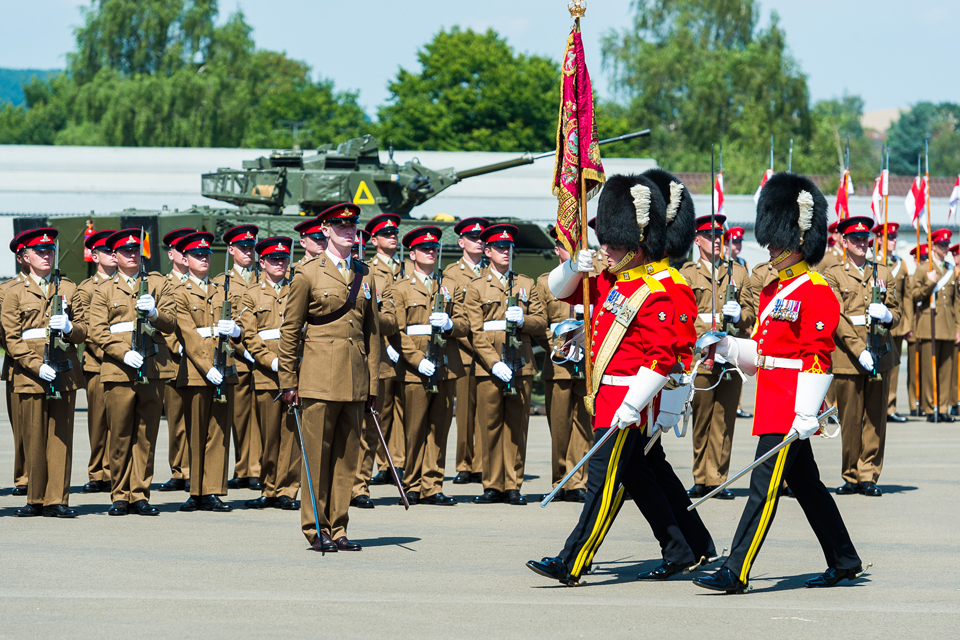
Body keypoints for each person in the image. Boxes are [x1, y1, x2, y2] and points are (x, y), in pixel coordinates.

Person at [693, 172, 863, 593]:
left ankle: (736, 570)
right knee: (806, 485)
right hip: (773, 396)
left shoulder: (817, 291)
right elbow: (766, 352)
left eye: (778, 241)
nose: (770, 248)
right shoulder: (775, 290)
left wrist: (807, 413)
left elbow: (816, 357)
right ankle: (844, 559)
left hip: (791, 406)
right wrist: (728, 346)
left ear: (799, 241)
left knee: (762, 489)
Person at [525, 174, 695, 586]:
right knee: (639, 476)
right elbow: (555, 290)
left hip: (627, 402)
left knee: (601, 485)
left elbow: (660, 359)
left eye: (614, 245)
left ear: (637, 244)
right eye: (606, 242)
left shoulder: (654, 290)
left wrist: (633, 406)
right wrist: (571, 265)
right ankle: (680, 549)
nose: (607, 250)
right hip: (604, 398)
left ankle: (572, 561)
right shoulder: (611, 279)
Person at [278, 203, 380, 553]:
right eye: (341, 226)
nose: (348, 232)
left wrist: (373, 386)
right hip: (318, 378)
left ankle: (339, 527)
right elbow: (290, 331)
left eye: (352, 226)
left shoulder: (365, 274)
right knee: (316, 459)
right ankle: (315, 527)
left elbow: (373, 336)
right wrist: (288, 382)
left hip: (354, 380)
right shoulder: (307, 274)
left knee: (346, 459)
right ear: (325, 230)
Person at [90, 229, 176, 516]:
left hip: (152, 368)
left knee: (146, 434)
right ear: (114, 256)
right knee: (120, 432)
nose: (132, 254)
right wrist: (122, 352)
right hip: (118, 369)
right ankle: (120, 494)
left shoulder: (157, 284)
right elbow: (98, 331)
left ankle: (140, 493)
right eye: (125, 251)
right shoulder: (104, 290)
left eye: (135, 250)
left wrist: (154, 314)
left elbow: (171, 322)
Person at [2, 228, 86, 518]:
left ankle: (57, 499)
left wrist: (69, 328)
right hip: (29, 372)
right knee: (33, 435)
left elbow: (83, 331)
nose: (47, 255)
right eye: (40, 252)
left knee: (60, 436)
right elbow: (11, 338)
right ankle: (34, 498)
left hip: (63, 369)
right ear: (25, 257)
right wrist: (36, 365)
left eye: (50, 251)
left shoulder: (69, 288)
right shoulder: (12, 291)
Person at [464, 224, 546, 505]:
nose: (505, 252)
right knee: (490, 426)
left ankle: (513, 484)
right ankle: (492, 484)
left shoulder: (526, 283)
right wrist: (493, 362)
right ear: (487, 252)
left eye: (508, 247)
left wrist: (524, 319)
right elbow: (475, 331)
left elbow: (540, 321)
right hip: (490, 367)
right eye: (499, 247)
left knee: (516, 427)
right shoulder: (476, 287)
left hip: (520, 362)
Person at [387, 226, 468, 505]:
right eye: (424, 249)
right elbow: (396, 332)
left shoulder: (450, 286)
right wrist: (417, 361)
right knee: (415, 428)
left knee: (440, 427)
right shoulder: (400, 288)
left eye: (433, 249)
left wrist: (451, 325)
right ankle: (411, 484)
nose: (430, 253)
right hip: (415, 368)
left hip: (445, 364)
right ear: (413, 254)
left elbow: (467, 324)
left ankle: (432, 484)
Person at [823, 216, 900, 498]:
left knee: (875, 419)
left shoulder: (884, 272)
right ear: (843, 241)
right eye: (854, 239)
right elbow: (837, 318)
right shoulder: (833, 273)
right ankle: (850, 474)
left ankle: (869, 475)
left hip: (880, 352)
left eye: (864, 238)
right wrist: (859, 350)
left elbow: (898, 314)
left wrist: (889, 316)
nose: (860, 243)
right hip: (849, 357)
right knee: (851, 419)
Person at [682, 214, 754, 499]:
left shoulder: (738, 273)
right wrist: (708, 337)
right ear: (697, 240)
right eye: (710, 236)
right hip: (702, 355)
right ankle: (701, 477)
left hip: (731, 356)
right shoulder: (687, 274)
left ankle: (717, 478)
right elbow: (685, 316)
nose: (717, 241)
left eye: (720, 236)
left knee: (724, 420)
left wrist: (740, 315)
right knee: (701, 418)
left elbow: (751, 314)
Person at [173, 231, 242, 512]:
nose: (203, 259)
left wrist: (237, 331)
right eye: (197, 255)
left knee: (218, 432)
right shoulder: (178, 292)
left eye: (206, 255)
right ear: (185, 259)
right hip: (196, 370)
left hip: (224, 366)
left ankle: (212, 490)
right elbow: (188, 335)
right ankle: (196, 490)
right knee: (197, 431)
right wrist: (206, 367)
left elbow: (239, 326)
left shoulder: (222, 289)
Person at [240, 236, 302, 510]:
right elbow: (249, 336)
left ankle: (288, 489)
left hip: (297, 373)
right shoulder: (251, 294)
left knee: (293, 435)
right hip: (267, 374)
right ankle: (269, 487)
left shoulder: (298, 289)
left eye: (284, 259)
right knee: (268, 436)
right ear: (262, 262)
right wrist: (270, 361)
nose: (280, 263)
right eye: (274, 259)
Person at [534, 226, 591, 502]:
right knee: (559, 426)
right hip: (558, 365)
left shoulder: (592, 281)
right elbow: (539, 323)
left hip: (587, 363)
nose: (576, 250)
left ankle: (578, 479)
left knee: (584, 425)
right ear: (557, 249)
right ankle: (560, 479)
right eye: (569, 245)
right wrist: (558, 345)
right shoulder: (545, 282)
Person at [213, 224, 262, 491]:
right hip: (238, 356)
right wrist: (245, 349)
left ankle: (258, 468)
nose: (248, 252)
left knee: (264, 416)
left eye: (251, 248)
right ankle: (244, 467)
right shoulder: (222, 282)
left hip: (264, 355)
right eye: (242, 248)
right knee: (240, 416)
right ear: (231, 250)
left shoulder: (263, 276)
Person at [444, 217, 489, 485]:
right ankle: (463, 464)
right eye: (473, 238)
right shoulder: (452, 274)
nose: (479, 242)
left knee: (484, 411)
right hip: (462, 351)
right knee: (464, 414)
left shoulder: (491, 271)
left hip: (487, 354)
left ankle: (481, 464)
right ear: (461, 242)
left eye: (482, 238)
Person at [363, 213, 405, 492]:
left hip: (409, 348)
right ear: (374, 240)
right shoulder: (369, 269)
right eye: (386, 233)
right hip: (383, 351)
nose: (392, 236)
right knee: (380, 412)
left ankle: (397, 462)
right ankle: (382, 463)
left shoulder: (407, 268)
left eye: (394, 233)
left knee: (401, 412)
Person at [74, 229, 117, 494]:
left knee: (120, 422)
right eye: (107, 251)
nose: (113, 255)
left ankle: (115, 471)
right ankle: (97, 472)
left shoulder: (129, 285)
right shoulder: (86, 289)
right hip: (98, 363)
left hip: (125, 363)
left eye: (115, 251)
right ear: (95, 256)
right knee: (99, 421)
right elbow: (87, 329)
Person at [157, 227, 197, 493]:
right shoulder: (163, 283)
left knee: (196, 420)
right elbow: (163, 322)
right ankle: (178, 470)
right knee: (176, 420)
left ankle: (195, 470)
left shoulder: (201, 283)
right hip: (174, 360)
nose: (186, 256)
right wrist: (179, 347)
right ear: (172, 253)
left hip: (199, 362)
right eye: (182, 251)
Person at [907, 228, 957, 422]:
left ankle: (943, 407)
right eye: (942, 245)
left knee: (946, 370)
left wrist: (958, 327)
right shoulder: (923, 269)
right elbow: (914, 296)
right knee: (929, 370)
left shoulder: (952, 269)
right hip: (929, 325)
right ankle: (930, 407)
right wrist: (929, 284)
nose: (945, 248)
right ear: (933, 246)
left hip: (948, 325)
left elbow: (956, 302)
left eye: (947, 245)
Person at [871, 223, 911, 423]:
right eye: (889, 237)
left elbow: (907, 296)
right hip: (876, 323)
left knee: (893, 366)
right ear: (879, 239)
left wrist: (908, 322)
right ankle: (877, 405)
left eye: (895, 238)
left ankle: (891, 406)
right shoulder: (873, 262)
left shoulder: (901, 264)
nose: (893, 241)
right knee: (876, 365)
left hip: (896, 321)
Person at [1, 234, 30, 495]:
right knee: (22, 426)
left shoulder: (60, 286)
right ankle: (24, 477)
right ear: (20, 258)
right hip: (18, 365)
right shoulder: (7, 289)